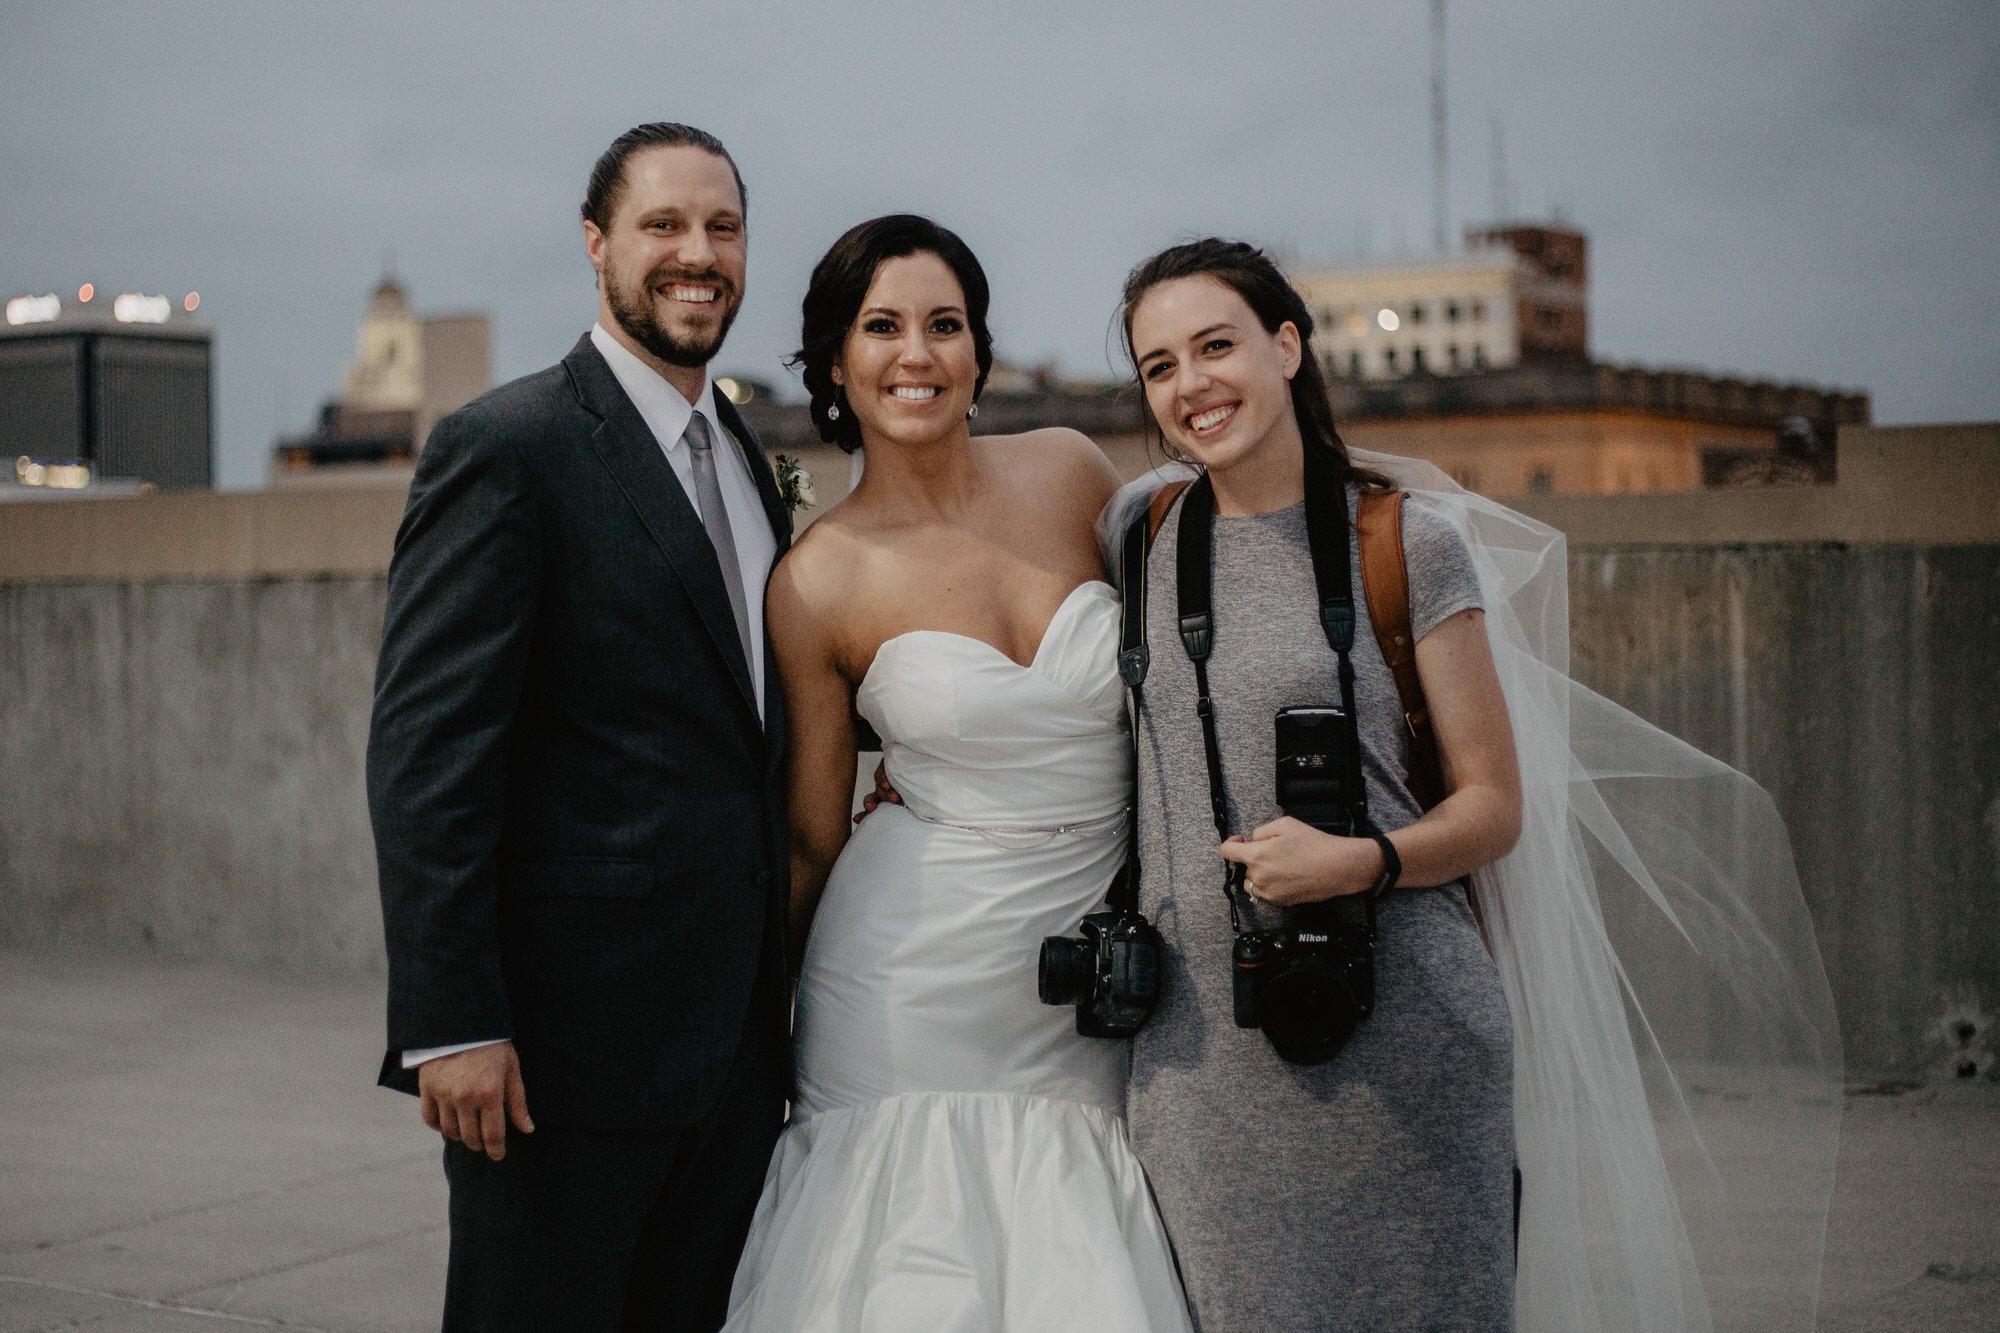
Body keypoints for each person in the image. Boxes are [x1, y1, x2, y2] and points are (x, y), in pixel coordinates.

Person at [1110, 239, 1842, 1332]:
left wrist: (1356, 860)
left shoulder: (1404, 540)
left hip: (1404, 1035)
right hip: (1199, 1067)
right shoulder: (1140, 535)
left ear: (1286, 345)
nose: (1190, 384)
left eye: (1215, 346)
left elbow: (1492, 806)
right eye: (1158, 365)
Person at [719, 214, 1193, 1332]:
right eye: (880, 327)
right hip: (902, 991)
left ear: (980, 349)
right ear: (836, 360)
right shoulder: (816, 579)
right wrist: (739, 1033)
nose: (916, 354)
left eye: (944, 324)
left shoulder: (1073, 472)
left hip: (1077, 982)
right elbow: (812, 835)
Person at [367, 122, 793, 1332]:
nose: (696, 253)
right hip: (561, 1057)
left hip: (735, 1058)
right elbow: (428, 754)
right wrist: (452, 1022)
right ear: (597, 245)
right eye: (662, 225)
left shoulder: (751, 462)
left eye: (721, 226)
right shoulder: (508, 448)